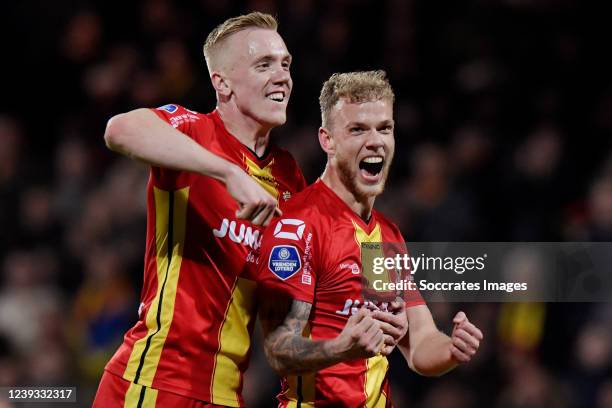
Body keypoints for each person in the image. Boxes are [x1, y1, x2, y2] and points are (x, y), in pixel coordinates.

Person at [93, 12, 307, 408]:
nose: (282, 76)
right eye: (264, 65)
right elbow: (118, 130)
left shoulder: (290, 177)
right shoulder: (191, 131)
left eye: (285, 64)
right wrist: (227, 173)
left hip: (226, 396)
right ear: (221, 83)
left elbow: (285, 304)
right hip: (155, 383)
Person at [257, 71, 483, 406]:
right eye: (358, 129)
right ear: (327, 140)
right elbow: (278, 347)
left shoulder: (384, 237)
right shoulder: (299, 225)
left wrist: (451, 349)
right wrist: (341, 347)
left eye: (385, 128)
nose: (375, 140)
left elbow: (419, 343)